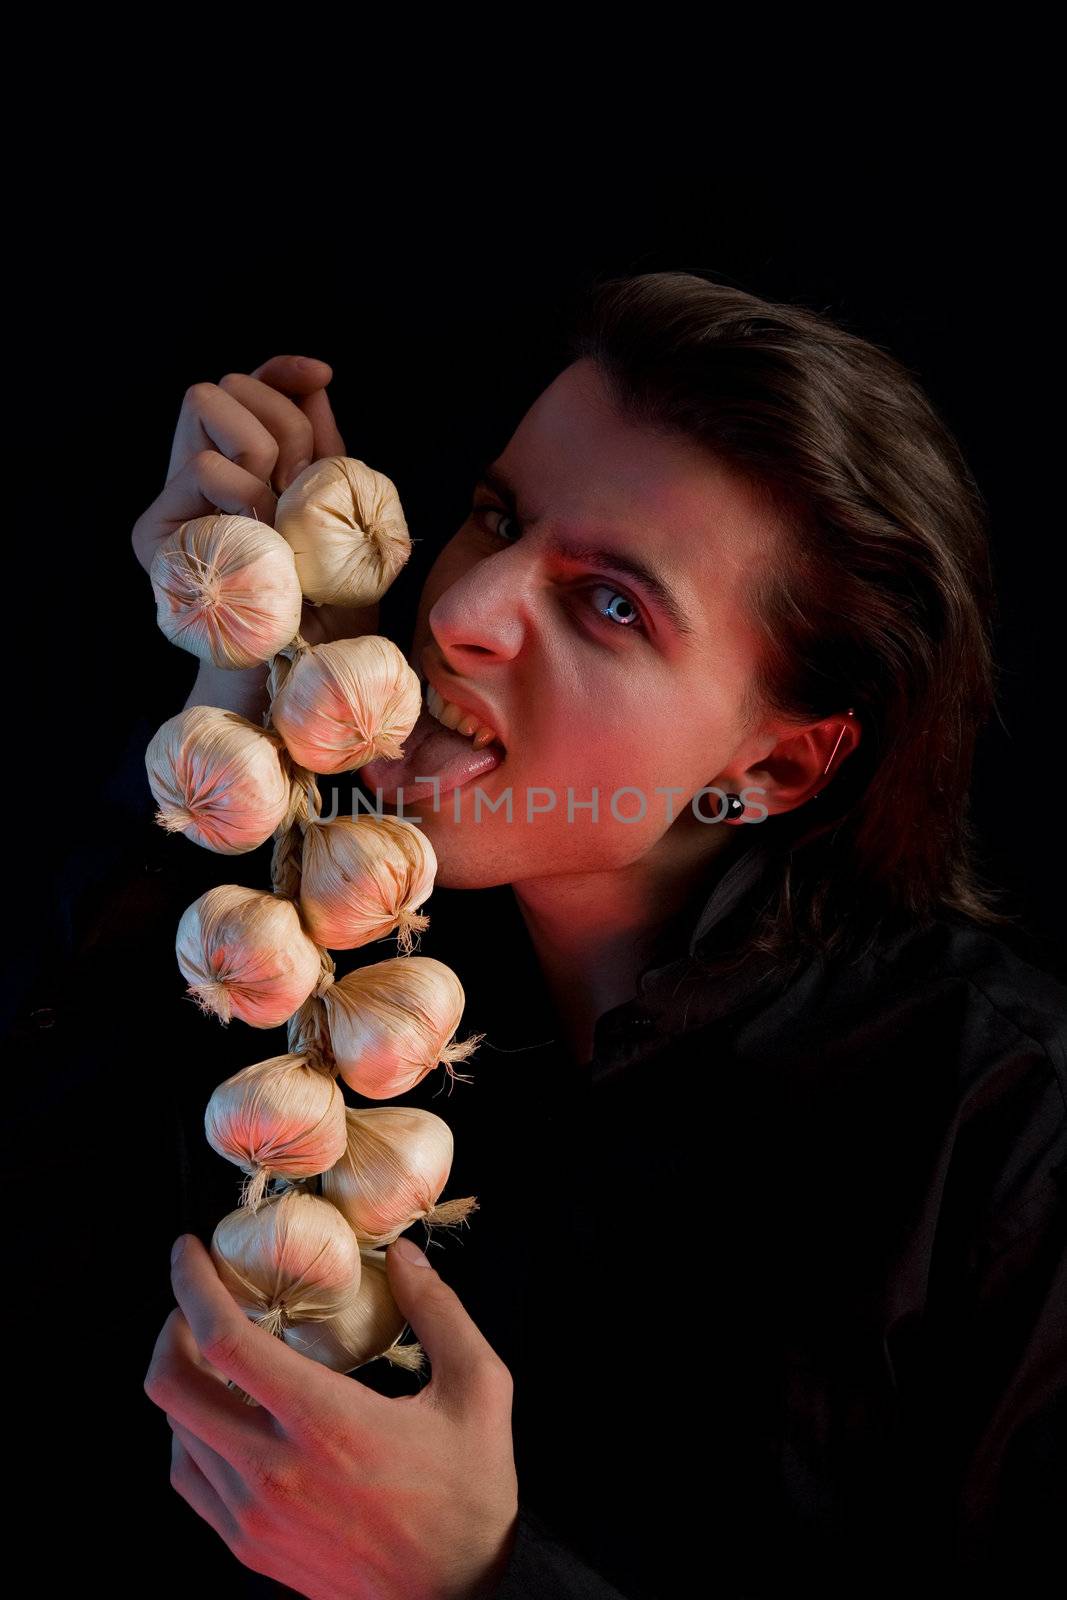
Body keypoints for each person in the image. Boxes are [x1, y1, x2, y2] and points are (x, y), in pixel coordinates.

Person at [82, 273, 1066, 1595]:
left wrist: (477, 1580)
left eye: (613, 606)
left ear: (777, 766)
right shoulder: (334, 942)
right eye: (498, 516)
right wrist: (239, 678)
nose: (459, 610)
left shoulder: (1008, 1132)